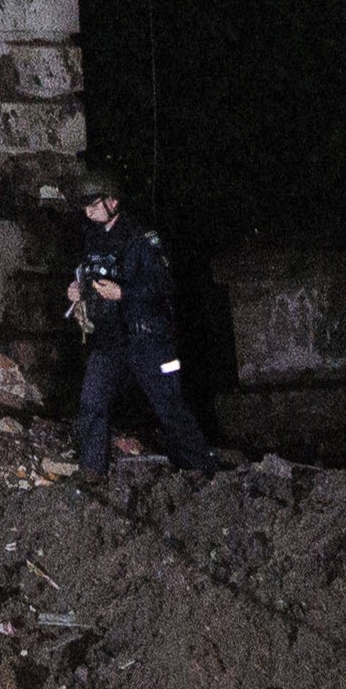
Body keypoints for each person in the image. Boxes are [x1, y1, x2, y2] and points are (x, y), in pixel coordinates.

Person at [62, 180, 219, 478]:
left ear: (113, 202)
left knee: (169, 404)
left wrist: (124, 293)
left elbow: (164, 285)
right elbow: (91, 276)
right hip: (109, 338)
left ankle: (201, 470)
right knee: (92, 401)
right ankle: (91, 471)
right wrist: (78, 290)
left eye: (94, 206)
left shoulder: (142, 238)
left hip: (147, 336)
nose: (89, 212)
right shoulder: (93, 237)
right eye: (86, 207)